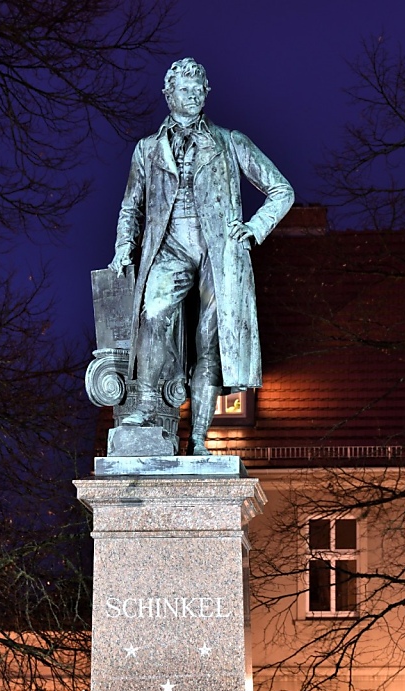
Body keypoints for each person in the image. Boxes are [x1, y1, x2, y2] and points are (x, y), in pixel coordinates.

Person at [109, 57, 294, 455]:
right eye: (185, 89)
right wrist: (124, 247)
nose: (193, 95)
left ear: (206, 93)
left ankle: (198, 439)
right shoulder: (147, 149)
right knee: (153, 315)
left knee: (209, 343)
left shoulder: (230, 141)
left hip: (219, 252)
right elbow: (131, 207)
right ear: (168, 95)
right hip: (170, 246)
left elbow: (282, 190)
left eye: (199, 90)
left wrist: (254, 229)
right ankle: (143, 405)